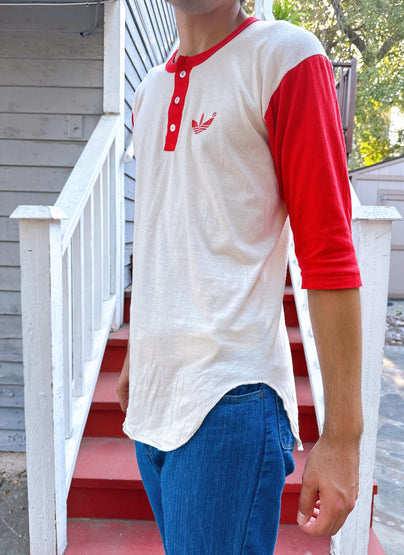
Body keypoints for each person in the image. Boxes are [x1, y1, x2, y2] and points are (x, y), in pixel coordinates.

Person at [117, 0, 363, 552]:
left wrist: (343, 436)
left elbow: (327, 251)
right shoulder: (149, 92)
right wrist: (140, 348)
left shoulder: (284, 59)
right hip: (157, 393)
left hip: (230, 398)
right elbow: (163, 233)